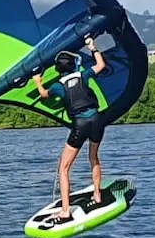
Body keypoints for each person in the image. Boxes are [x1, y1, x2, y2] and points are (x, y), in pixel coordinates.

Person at [30, 35, 109, 222]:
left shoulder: (58, 86)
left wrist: (37, 80)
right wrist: (93, 47)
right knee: (93, 157)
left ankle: (66, 211)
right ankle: (97, 195)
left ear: (59, 70)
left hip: (80, 125)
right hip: (97, 119)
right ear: (74, 65)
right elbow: (101, 65)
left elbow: (43, 95)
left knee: (64, 168)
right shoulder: (83, 75)